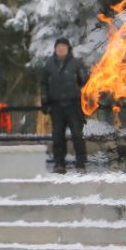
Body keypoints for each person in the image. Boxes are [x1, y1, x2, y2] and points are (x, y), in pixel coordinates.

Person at [39, 37, 89, 173]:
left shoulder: (76, 64)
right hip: (56, 106)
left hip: (74, 105)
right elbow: (43, 84)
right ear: (55, 49)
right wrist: (44, 100)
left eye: (63, 47)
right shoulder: (49, 65)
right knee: (58, 136)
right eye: (58, 47)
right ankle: (59, 164)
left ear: (68, 49)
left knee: (77, 135)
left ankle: (81, 164)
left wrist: (83, 98)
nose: (61, 49)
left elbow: (85, 83)